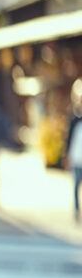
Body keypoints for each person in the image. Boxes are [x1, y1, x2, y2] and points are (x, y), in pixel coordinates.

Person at [66, 94, 82, 223]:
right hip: (76, 158)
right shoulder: (74, 120)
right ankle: (77, 209)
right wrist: (67, 156)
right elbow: (69, 140)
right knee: (76, 185)